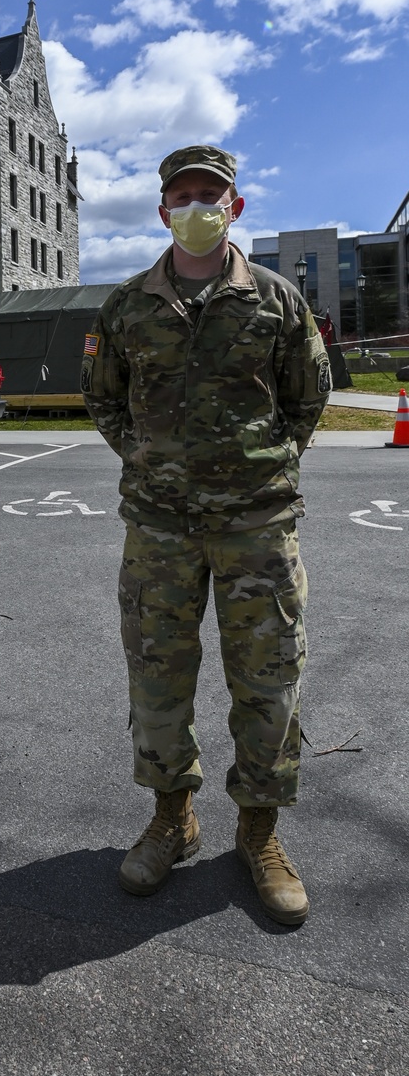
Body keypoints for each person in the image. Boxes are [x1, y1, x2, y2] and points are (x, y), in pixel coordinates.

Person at [80, 145, 331, 926]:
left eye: (210, 195)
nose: (196, 207)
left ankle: (259, 833)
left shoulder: (277, 302)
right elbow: (104, 400)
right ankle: (172, 819)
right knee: (158, 679)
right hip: (159, 529)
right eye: (182, 196)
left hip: (257, 525)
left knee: (269, 683)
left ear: (236, 206)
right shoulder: (127, 307)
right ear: (162, 211)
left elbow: (308, 398)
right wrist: (153, 462)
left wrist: (260, 466)